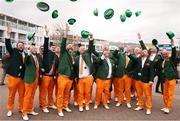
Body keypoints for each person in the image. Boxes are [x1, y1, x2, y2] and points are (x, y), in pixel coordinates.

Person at [5, 25, 26, 117]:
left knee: (22, 95)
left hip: (22, 78)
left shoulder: (26, 54)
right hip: (13, 76)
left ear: (23, 46)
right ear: (17, 46)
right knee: (11, 95)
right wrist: (8, 34)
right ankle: (10, 109)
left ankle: (21, 108)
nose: (21, 46)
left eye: (22, 45)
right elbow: (8, 45)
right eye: (19, 45)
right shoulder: (13, 51)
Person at [128, 48, 154, 115]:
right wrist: (128, 53)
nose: (143, 52)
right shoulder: (138, 59)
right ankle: (140, 106)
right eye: (142, 52)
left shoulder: (150, 61)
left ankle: (148, 108)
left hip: (146, 81)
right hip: (138, 80)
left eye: (145, 52)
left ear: (147, 54)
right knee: (139, 94)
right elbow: (133, 58)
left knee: (147, 95)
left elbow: (152, 72)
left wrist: (151, 80)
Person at [56, 24, 74, 117]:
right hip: (62, 77)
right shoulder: (63, 52)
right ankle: (59, 109)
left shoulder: (71, 56)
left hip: (69, 78)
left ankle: (65, 106)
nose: (70, 46)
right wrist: (66, 32)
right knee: (60, 94)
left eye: (71, 46)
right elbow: (63, 43)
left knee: (67, 93)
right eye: (69, 45)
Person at [73, 33, 94, 112]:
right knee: (80, 93)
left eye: (83, 49)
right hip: (80, 78)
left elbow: (90, 47)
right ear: (78, 50)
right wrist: (75, 77)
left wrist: (91, 38)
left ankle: (87, 104)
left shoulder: (87, 55)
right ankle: (80, 105)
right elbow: (75, 68)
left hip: (88, 77)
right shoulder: (77, 58)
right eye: (80, 49)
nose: (82, 50)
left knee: (87, 92)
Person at [39, 25, 57, 113]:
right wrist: (46, 34)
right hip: (46, 76)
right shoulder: (47, 52)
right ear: (50, 48)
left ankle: (50, 104)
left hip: (52, 77)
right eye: (52, 47)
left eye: (55, 47)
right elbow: (46, 45)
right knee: (43, 92)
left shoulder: (56, 55)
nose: (54, 48)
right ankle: (43, 105)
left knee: (50, 92)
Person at [22, 45, 42, 121]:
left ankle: (30, 110)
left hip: (35, 79)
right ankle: (24, 113)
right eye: (32, 48)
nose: (34, 49)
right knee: (27, 96)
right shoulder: (28, 57)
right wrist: (28, 53)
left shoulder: (36, 57)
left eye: (35, 48)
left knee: (32, 96)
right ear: (29, 50)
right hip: (29, 79)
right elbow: (26, 60)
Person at [160, 39, 178, 114]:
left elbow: (174, 53)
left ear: (168, 53)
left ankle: (168, 107)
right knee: (165, 93)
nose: (165, 55)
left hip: (171, 79)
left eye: (166, 54)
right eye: (163, 54)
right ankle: (166, 106)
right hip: (165, 79)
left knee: (170, 93)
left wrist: (172, 45)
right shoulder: (163, 61)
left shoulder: (171, 59)